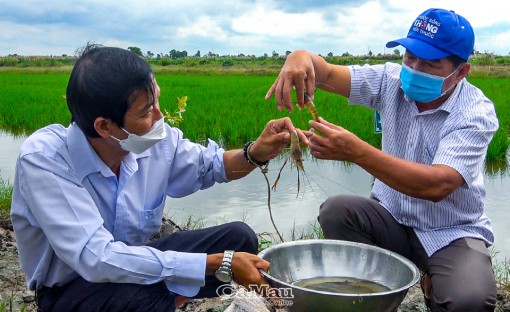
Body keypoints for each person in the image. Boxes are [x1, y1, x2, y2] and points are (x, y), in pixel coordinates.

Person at [10, 44, 303, 312]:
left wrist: (257, 152)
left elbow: (209, 166)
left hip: (136, 261)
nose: (160, 117)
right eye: (147, 111)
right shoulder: (46, 160)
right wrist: (215, 264)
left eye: (157, 103)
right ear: (104, 126)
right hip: (74, 290)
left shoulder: (154, 143)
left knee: (239, 240)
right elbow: (96, 258)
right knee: (145, 297)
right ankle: (161, 300)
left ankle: (164, 299)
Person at [266, 8, 498, 312]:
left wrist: (357, 151)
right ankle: (381, 288)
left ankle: (432, 282)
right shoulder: (390, 81)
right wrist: (299, 57)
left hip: (450, 232)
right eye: (410, 57)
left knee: (469, 301)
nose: (414, 68)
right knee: (337, 211)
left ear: (461, 71)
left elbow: (438, 184)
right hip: (391, 220)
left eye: (429, 63)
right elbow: (325, 73)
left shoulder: (475, 112)